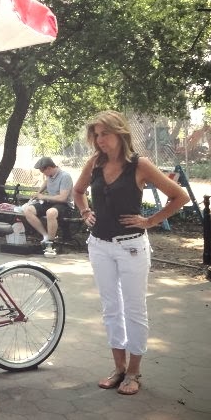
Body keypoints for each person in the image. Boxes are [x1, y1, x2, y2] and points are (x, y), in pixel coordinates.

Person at [73, 110, 188, 396]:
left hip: (131, 247)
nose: (99, 140)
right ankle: (118, 368)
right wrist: (85, 211)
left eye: (105, 134)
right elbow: (78, 191)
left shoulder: (140, 165)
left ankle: (134, 372)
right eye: (96, 135)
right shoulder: (95, 163)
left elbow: (179, 196)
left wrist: (150, 221)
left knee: (134, 309)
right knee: (111, 309)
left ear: (120, 133)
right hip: (99, 246)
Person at [22, 156, 75, 256]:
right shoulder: (50, 175)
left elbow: (62, 198)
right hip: (51, 202)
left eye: (43, 171)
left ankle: (50, 243)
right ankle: (45, 236)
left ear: (49, 168)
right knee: (28, 210)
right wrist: (38, 193)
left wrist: (43, 196)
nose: (43, 174)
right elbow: (46, 182)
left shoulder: (65, 176)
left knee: (50, 212)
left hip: (64, 205)